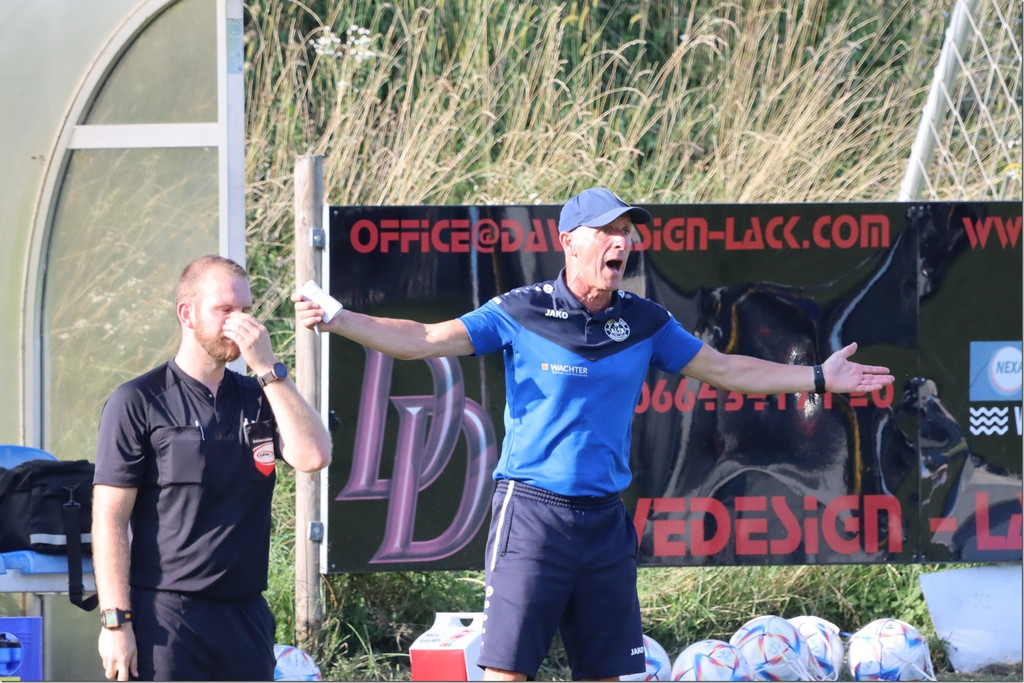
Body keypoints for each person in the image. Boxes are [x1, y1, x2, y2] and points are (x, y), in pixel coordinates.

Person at [293, 187, 895, 681]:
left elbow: (726, 369)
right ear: (568, 241)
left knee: (607, 675)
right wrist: (341, 318)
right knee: (506, 672)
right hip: (532, 515)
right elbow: (424, 339)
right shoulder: (522, 310)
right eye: (607, 231)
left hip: (605, 522)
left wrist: (819, 376)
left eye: (627, 232)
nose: (621, 242)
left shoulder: (645, 321)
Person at [93, 255, 332, 681]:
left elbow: (313, 456)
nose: (240, 323)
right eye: (224, 310)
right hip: (165, 618)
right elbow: (109, 519)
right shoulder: (138, 400)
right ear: (187, 314)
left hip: (245, 616)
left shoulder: (260, 394)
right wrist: (115, 621)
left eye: (246, 310)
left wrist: (268, 370)